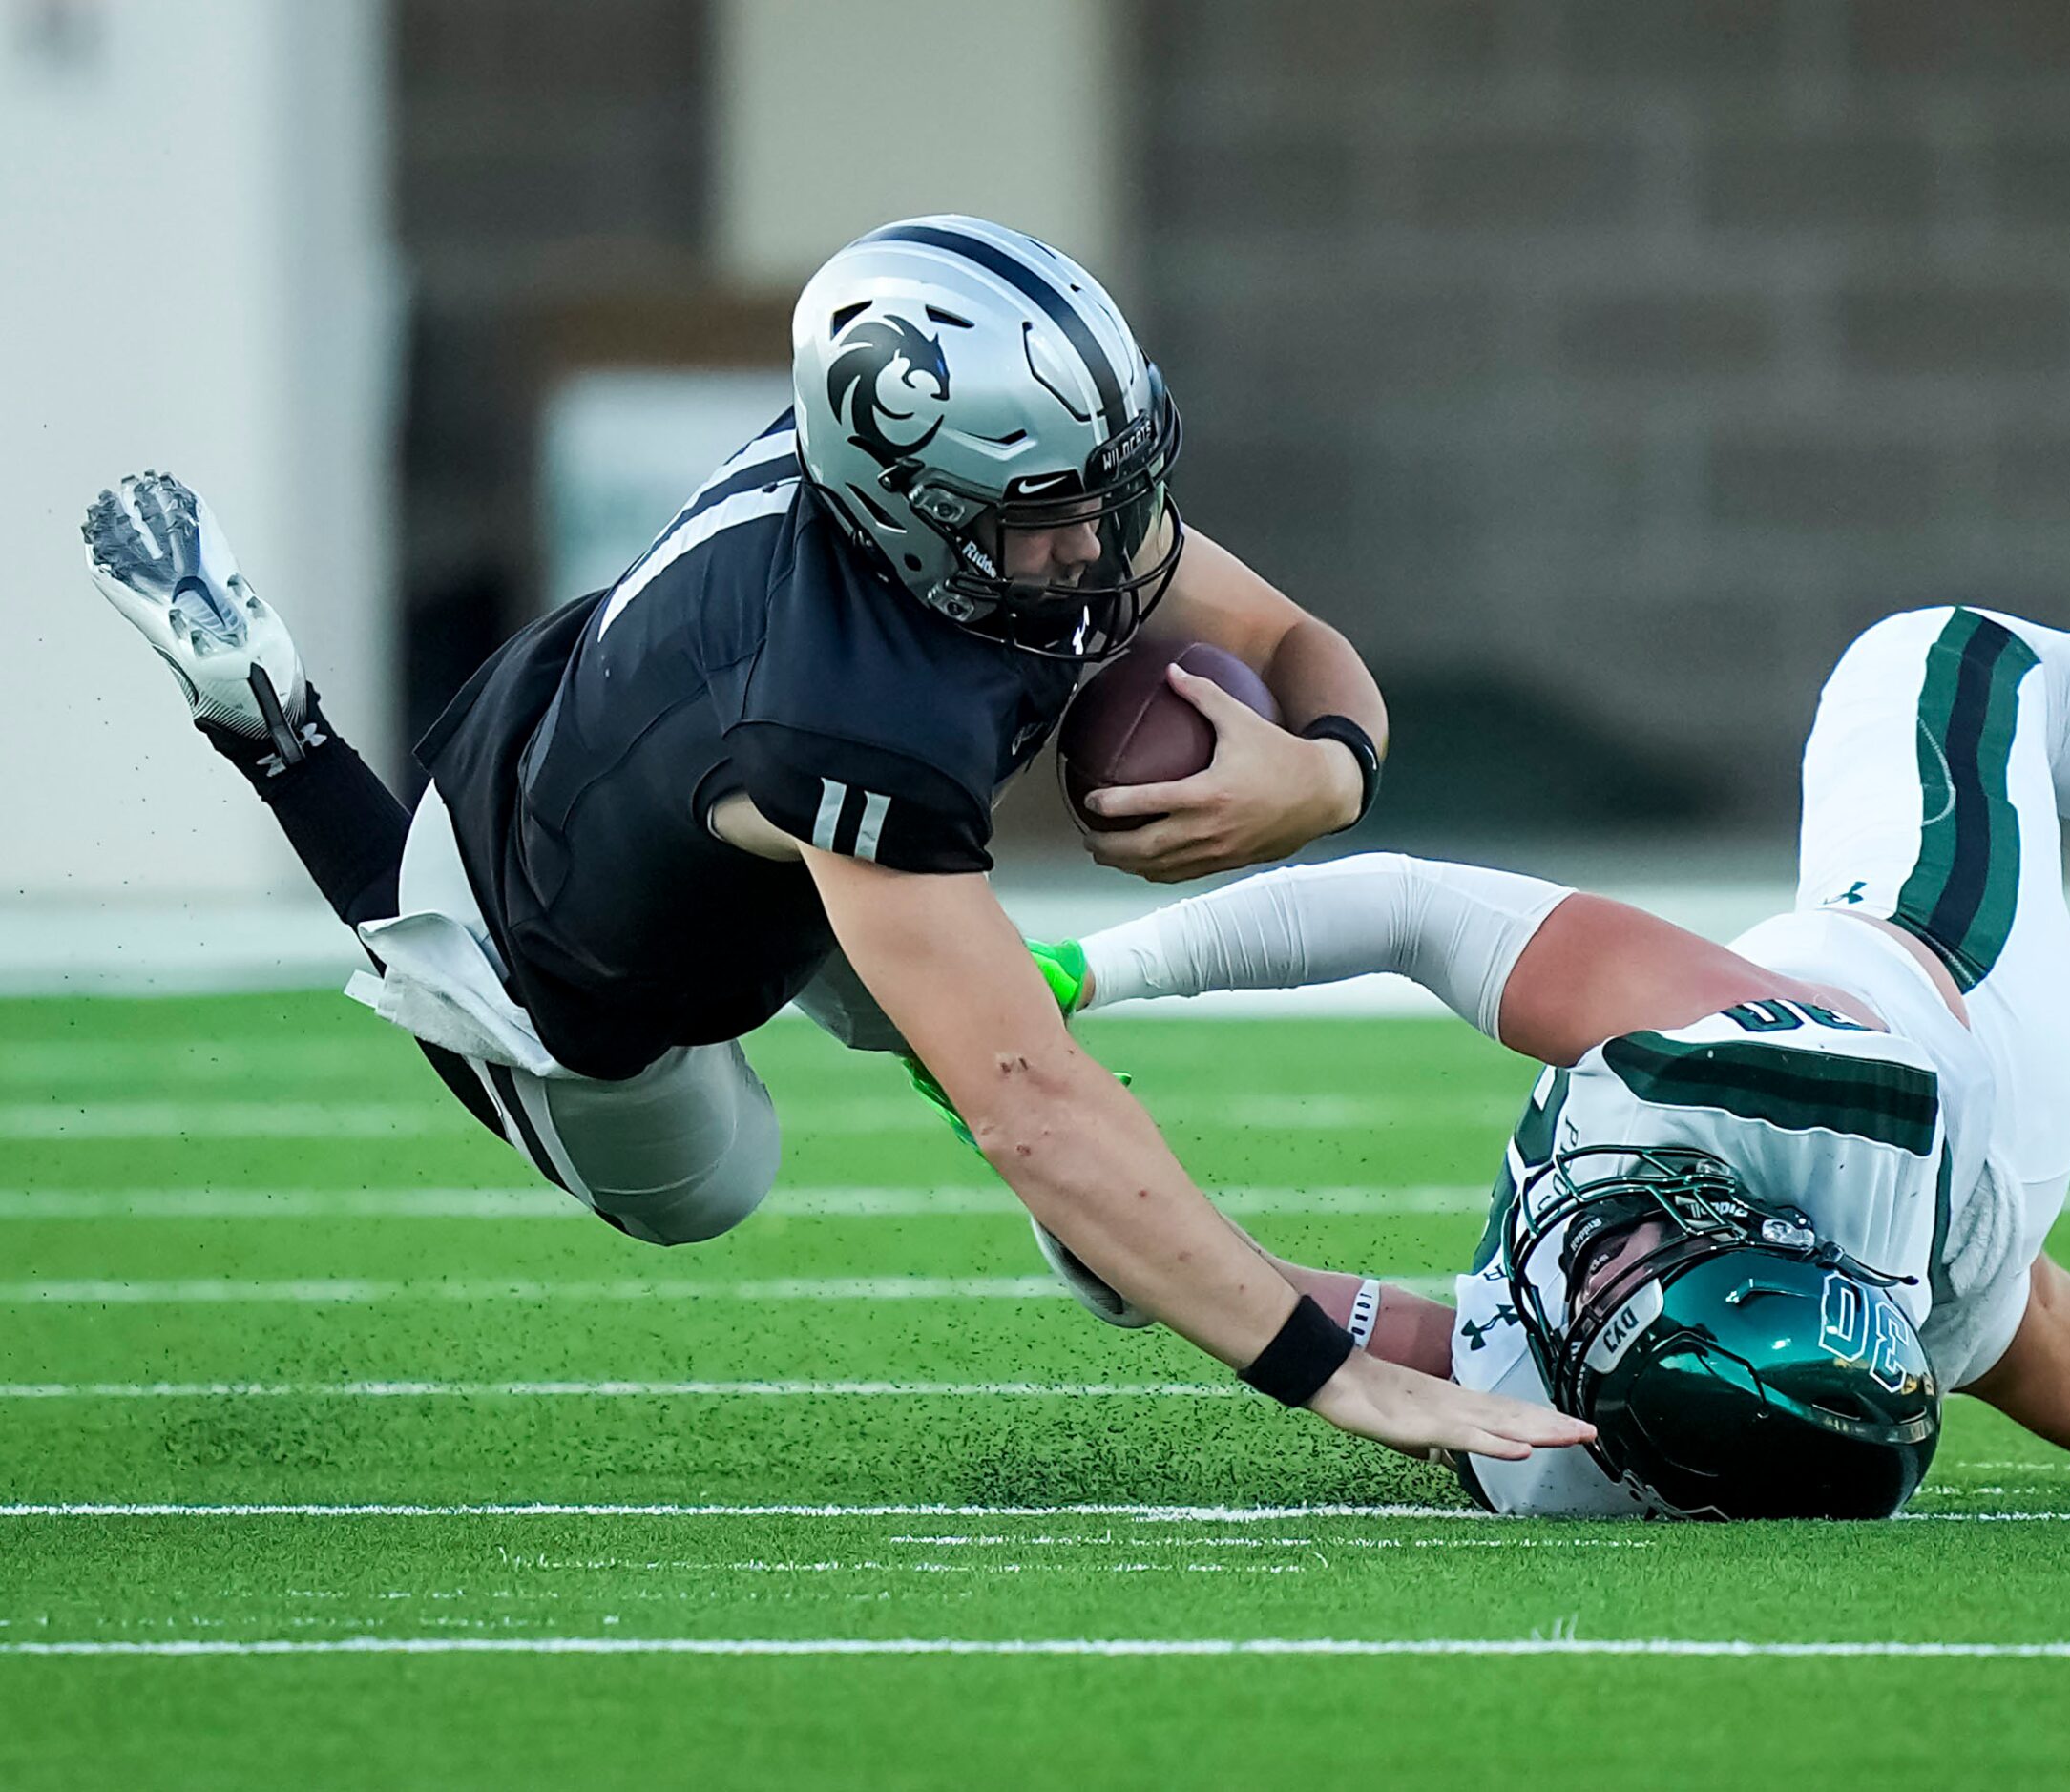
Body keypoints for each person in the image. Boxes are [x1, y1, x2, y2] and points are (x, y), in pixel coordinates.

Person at [75, 215, 1587, 1468]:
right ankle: (270, 723)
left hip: (696, 763)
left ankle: (1036, 1134)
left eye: (1112, 492)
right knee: (723, 1175)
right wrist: (1331, 1368)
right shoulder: (848, 712)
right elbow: (1036, 1110)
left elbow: (1286, 633)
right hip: (560, 930)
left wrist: (1326, 776)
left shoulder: (960, 510)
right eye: (1051, 520)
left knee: (953, 990)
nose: (1100, 551)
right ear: (917, 511)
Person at [1027, 604, 2070, 1517]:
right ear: (1743, 1222)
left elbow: (1403, 1336)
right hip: (1947, 1027)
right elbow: (1411, 906)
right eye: (1638, 1251)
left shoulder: (1572, 1441)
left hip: (1939, 1256)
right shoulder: (1730, 1086)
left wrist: (1154, 1248)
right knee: (1952, 658)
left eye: (1605, 1286)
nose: (1582, 1257)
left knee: (2033, 1338)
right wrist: (1100, 976)